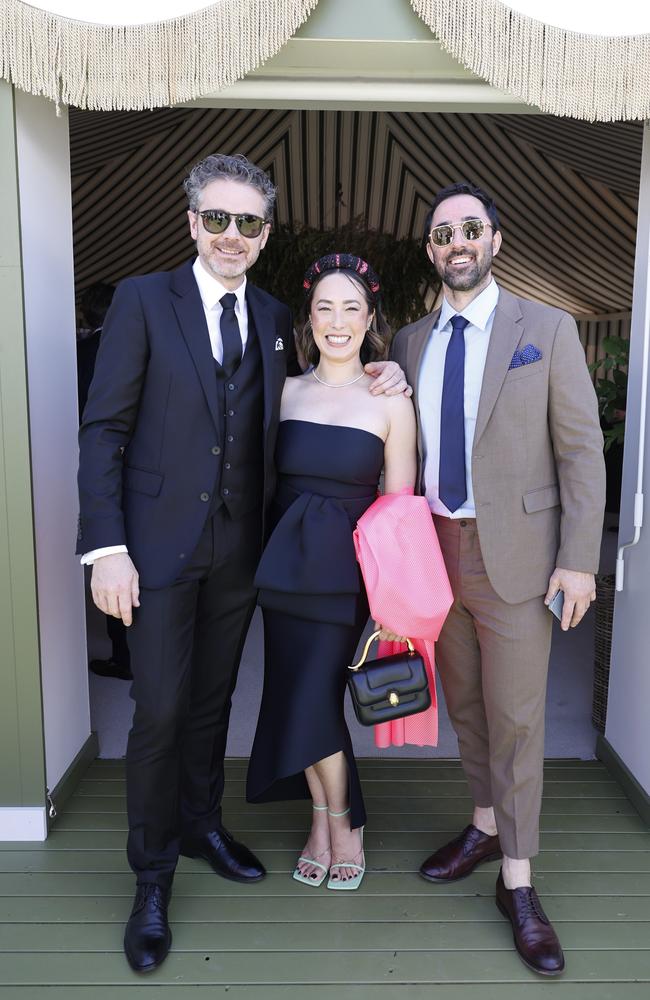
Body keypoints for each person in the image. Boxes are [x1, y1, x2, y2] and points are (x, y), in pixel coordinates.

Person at [76, 155, 406, 972]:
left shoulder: (269, 319)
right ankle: (152, 878)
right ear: (192, 222)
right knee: (156, 711)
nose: (232, 235)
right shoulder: (143, 301)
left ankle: (202, 825)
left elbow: (310, 403)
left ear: (263, 235)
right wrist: (106, 548)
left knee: (213, 702)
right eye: (217, 219)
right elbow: (103, 432)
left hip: (242, 557)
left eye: (248, 223)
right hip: (151, 553)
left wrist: (382, 369)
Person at [390, 182, 606, 976]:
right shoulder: (411, 341)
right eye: (444, 233)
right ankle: (483, 826)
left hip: (516, 556)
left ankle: (518, 882)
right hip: (435, 552)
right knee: (471, 709)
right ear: (431, 251)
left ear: (495, 240)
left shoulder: (545, 329)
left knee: (517, 719)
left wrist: (579, 557)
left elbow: (583, 451)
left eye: (471, 229)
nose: (458, 243)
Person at [247, 253, 417, 890]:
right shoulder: (284, 390)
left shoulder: (391, 400)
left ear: (370, 317)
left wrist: (390, 599)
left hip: (345, 580)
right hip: (282, 572)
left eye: (351, 307)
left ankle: (344, 822)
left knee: (317, 699)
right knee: (293, 696)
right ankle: (322, 821)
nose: (337, 321)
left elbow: (399, 507)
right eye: (325, 307)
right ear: (307, 320)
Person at [76, 281, 132, 681]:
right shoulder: (133, 348)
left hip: (87, 464)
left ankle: (123, 655)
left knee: (114, 555)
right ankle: (130, 653)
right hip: (138, 468)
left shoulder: (79, 354)